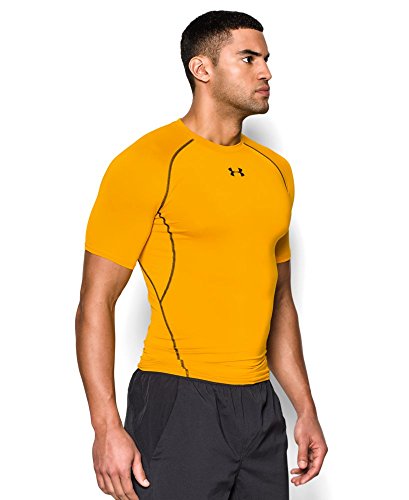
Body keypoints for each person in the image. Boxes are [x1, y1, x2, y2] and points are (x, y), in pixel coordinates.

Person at [75, 10, 328, 500]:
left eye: (266, 59)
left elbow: (280, 302)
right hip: (178, 399)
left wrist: (305, 408)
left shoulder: (276, 171)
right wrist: (106, 426)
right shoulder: (148, 162)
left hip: (260, 406)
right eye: (248, 58)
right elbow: (95, 301)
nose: (266, 72)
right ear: (202, 68)